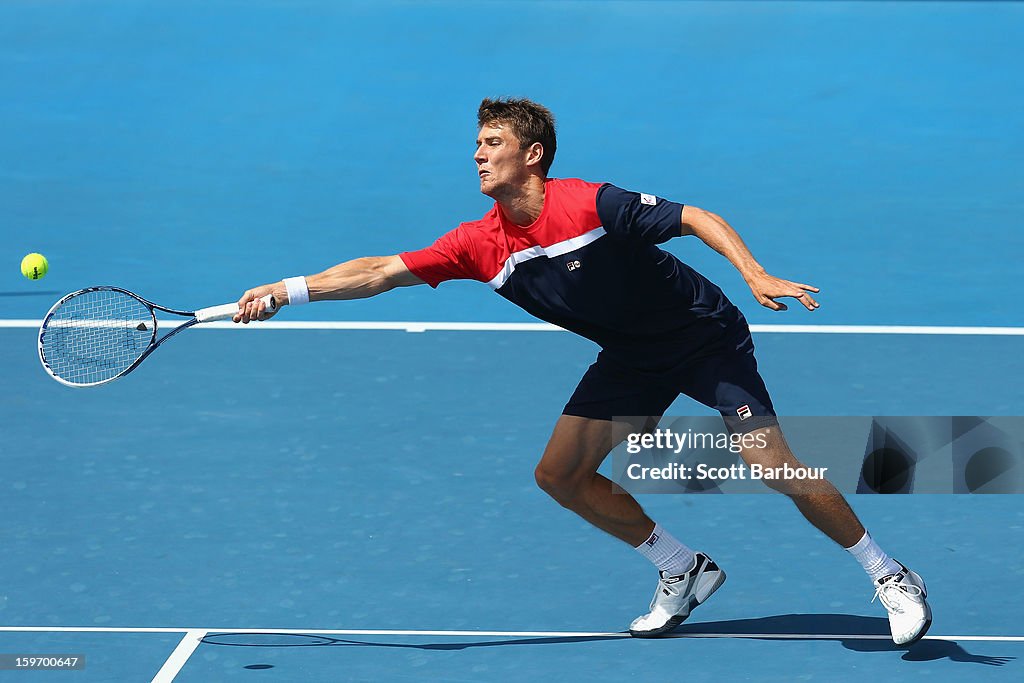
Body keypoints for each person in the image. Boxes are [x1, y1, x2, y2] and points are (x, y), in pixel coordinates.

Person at [233, 97, 931, 645]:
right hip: (630, 356)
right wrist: (286, 290)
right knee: (559, 475)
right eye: (476, 143)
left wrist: (752, 271)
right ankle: (681, 566)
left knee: (772, 463)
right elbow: (381, 271)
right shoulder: (478, 244)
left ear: (533, 155)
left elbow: (694, 217)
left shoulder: (589, 204)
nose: (477, 154)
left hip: (702, 336)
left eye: (492, 143)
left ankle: (891, 574)